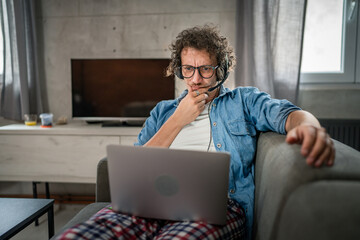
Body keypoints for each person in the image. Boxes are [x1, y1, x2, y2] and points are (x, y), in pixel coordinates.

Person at [58, 25, 335, 240]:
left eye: (205, 69)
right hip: (149, 203)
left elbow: (290, 114)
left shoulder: (243, 101)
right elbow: (136, 170)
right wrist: (178, 120)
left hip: (216, 208)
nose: (195, 79)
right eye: (188, 69)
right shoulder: (163, 112)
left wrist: (311, 128)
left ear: (221, 70)